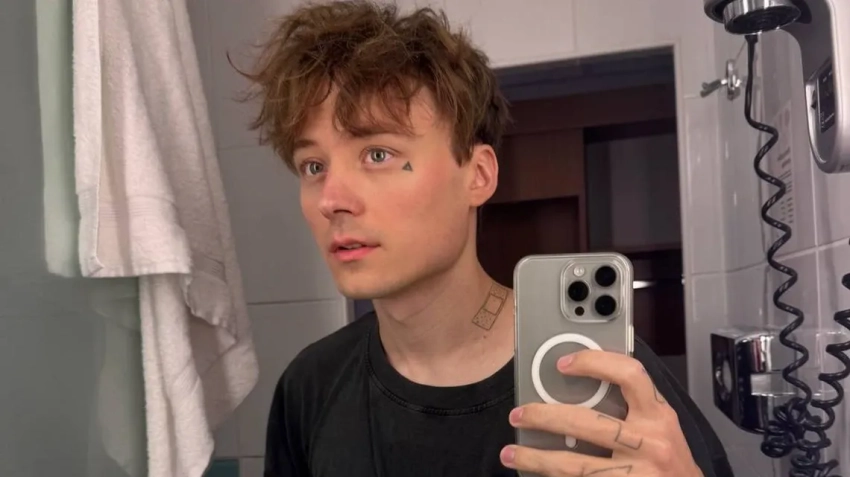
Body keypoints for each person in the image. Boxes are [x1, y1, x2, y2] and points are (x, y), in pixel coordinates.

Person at [239, 1, 734, 476]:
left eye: (378, 155)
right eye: (313, 166)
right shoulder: (310, 387)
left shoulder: (602, 375)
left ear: (478, 175)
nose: (331, 199)